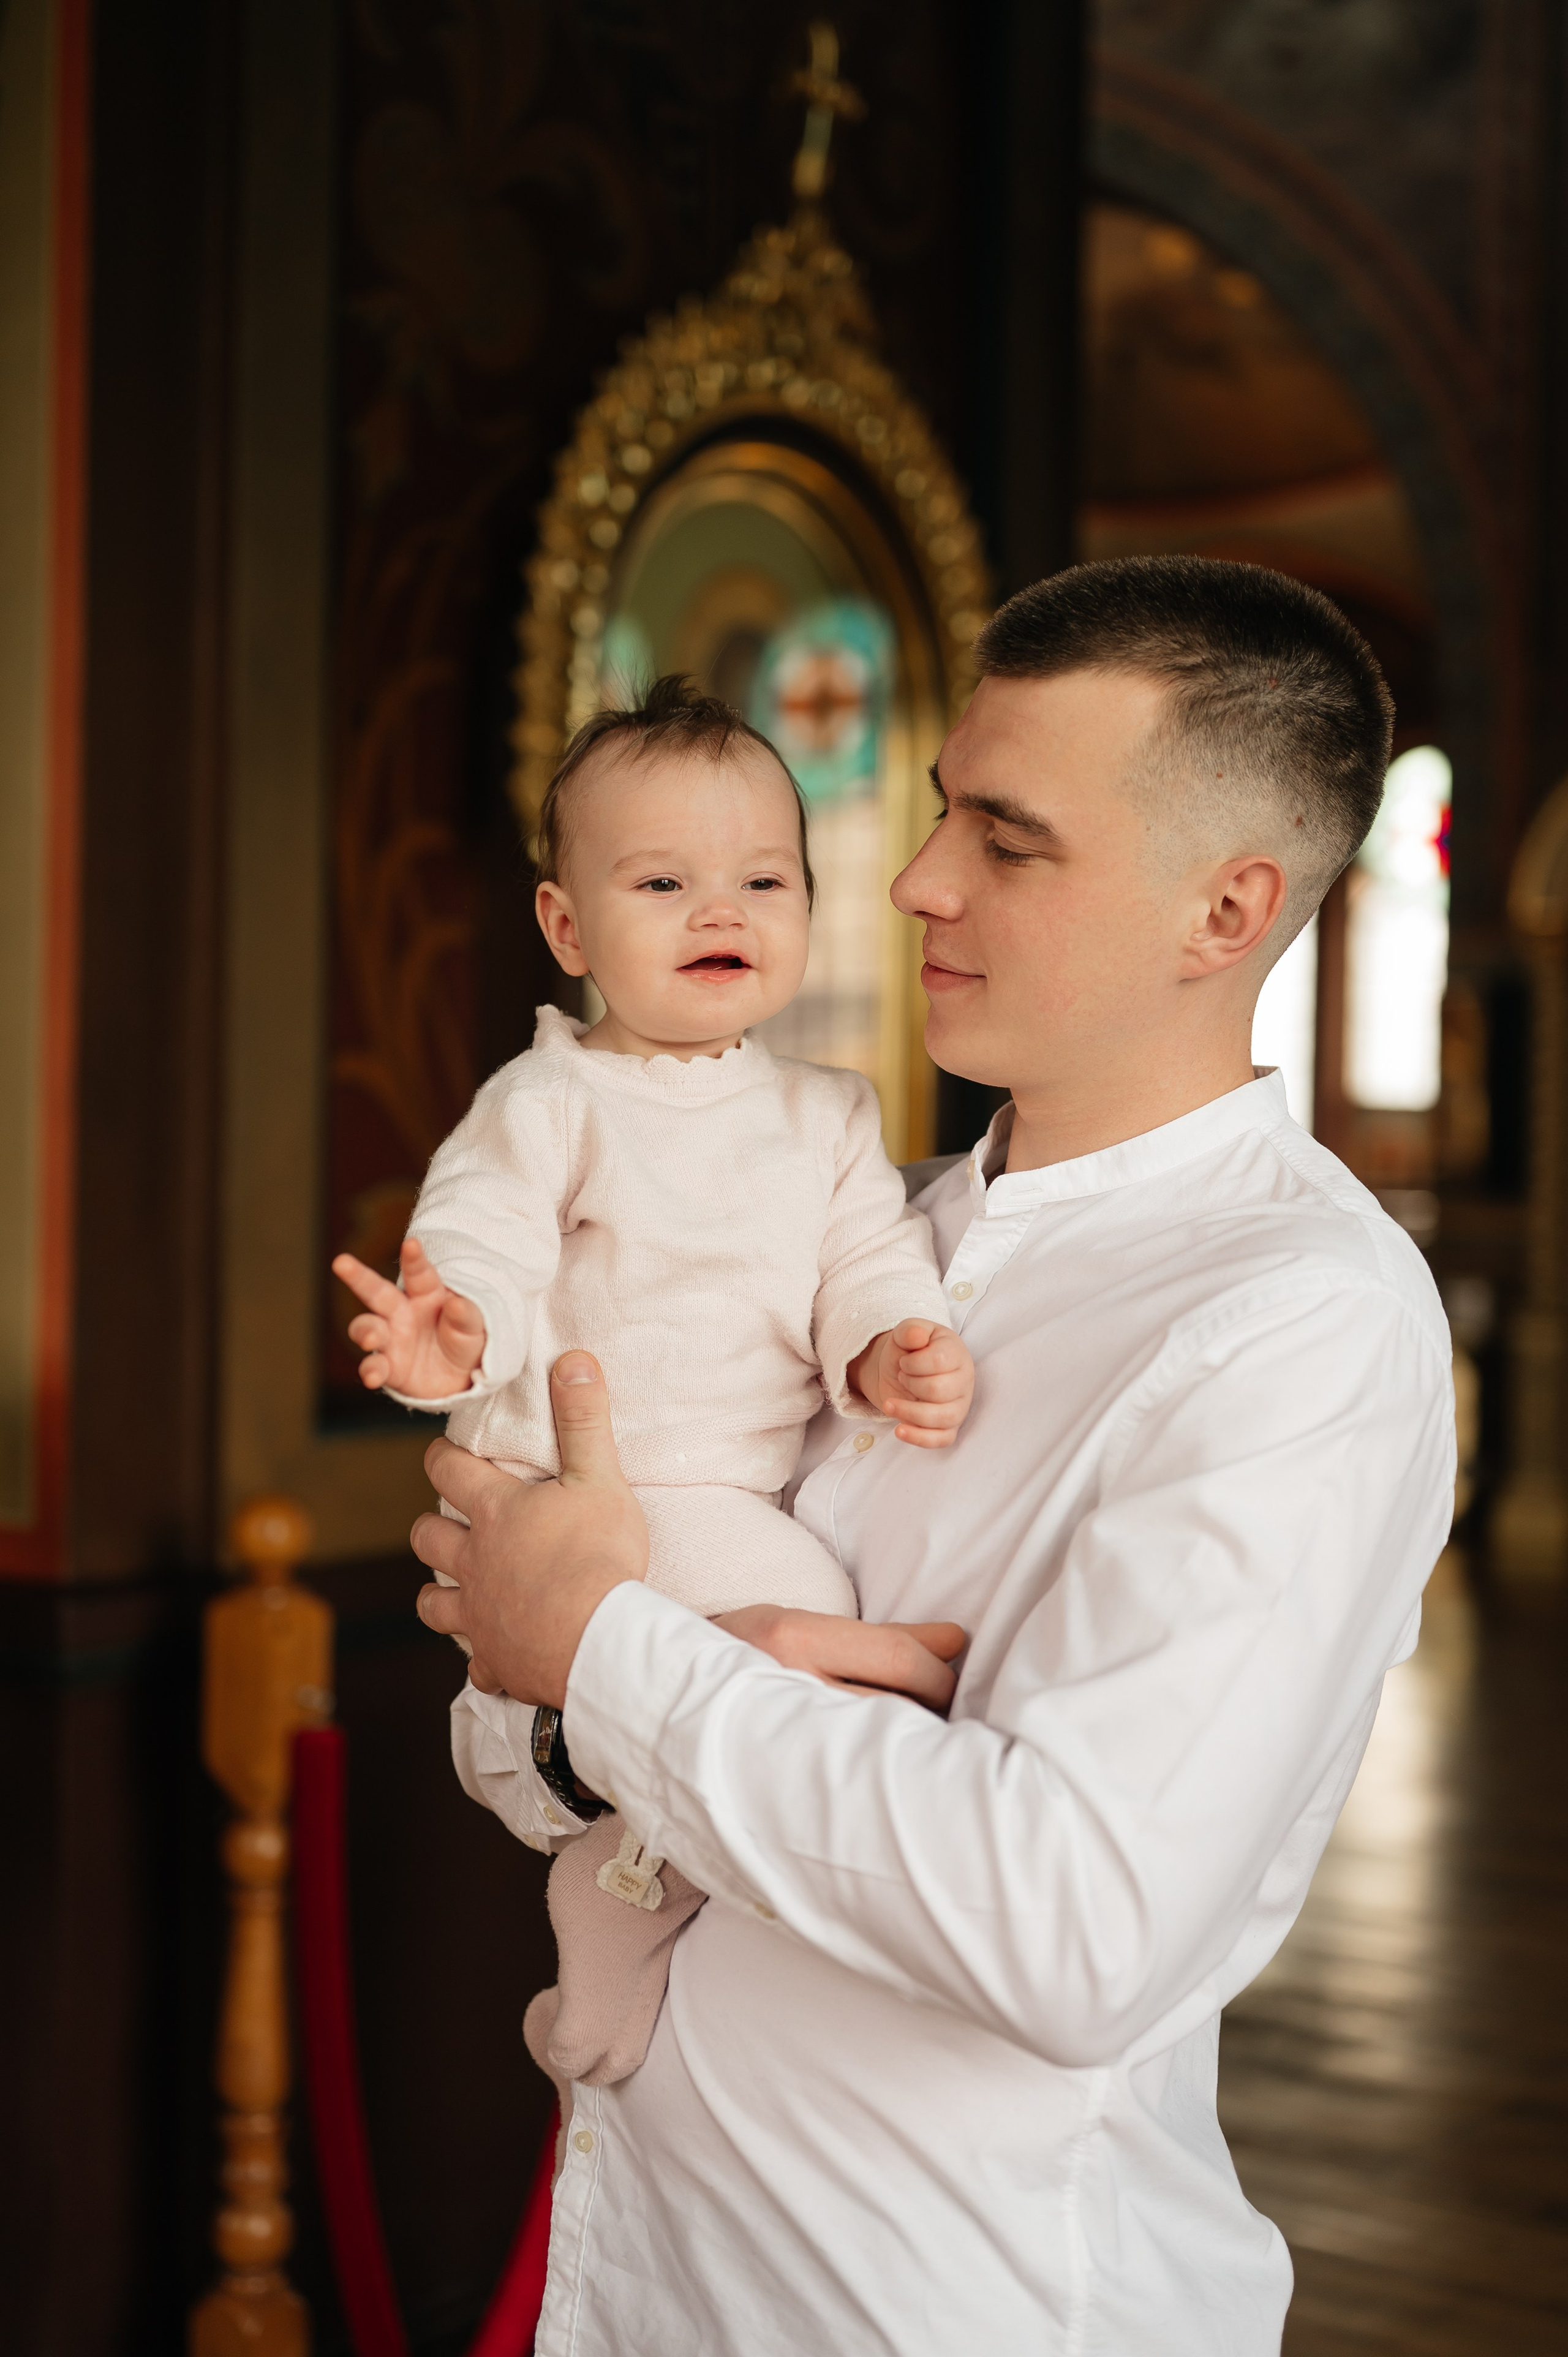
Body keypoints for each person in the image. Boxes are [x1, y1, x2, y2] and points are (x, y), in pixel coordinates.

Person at [418, 557, 1456, 2357]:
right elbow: (515, 1739)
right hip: (646, 2266)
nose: (910, 882)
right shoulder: (860, 1235)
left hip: (947, 2302)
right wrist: (639, 1687)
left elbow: (1066, 1925)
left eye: (1008, 836)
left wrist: (611, 1649)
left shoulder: (1303, 1328)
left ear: (1226, 909)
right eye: (931, 816)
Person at [333, 674, 973, 2092]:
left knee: (789, 1615)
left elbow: (864, 1254)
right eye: (664, 880)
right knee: (805, 1624)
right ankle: (623, 1899)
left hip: (736, 1488)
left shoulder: (829, 1110)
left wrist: (885, 1344)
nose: (720, 911)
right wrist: (463, 1331)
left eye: (763, 878)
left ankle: (615, 1892)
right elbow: (482, 1239)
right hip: (598, 1489)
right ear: (568, 926)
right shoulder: (548, 1101)